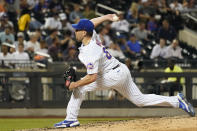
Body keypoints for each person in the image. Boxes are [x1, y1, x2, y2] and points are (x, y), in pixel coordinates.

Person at [54, 14, 195, 128]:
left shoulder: (90, 51)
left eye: (77, 29)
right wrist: (107, 17)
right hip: (121, 70)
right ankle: (177, 101)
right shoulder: (93, 36)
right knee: (140, 100)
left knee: (80, 87)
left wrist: (75, 84)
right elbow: (91, 22)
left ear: (84, 33)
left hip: (112, 75)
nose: (75, 31)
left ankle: (71, 119)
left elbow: (92, 77)